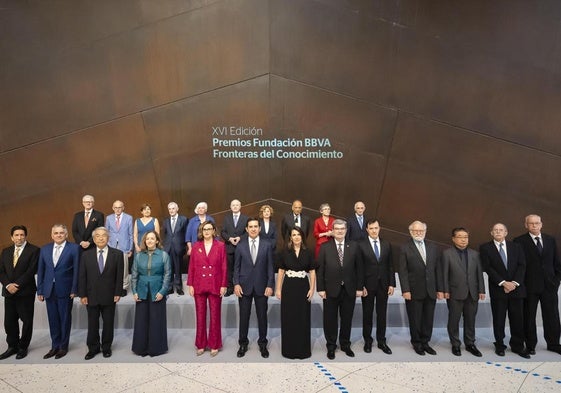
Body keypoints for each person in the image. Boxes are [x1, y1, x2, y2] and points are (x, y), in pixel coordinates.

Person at [480, 223, 530, 358]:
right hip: (498, 289)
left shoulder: (516, 247)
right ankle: (500, 345)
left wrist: (514, 283)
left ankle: (518, 346)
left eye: (501, 230)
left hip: (516, 289)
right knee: (499, 319)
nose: (498, 232)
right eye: (495, 230)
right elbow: (488, 267)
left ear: (506, 232)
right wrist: (503, 283)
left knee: (517, 319)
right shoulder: (485, 248)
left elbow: (522, 265)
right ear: (491, 233)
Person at [316, 219, 364, 360]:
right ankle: (331, 346)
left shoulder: (354, 246)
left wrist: (360, 287)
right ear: (332, 230)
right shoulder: (325, 247)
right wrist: (320, 288)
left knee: (347, 318)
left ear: (346, 230)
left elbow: (359, 268)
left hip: (349, 289)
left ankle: (345, 344)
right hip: (330, 290)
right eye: (337, 228)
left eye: (342, 228)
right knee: (330, 319)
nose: (339, 231)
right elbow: (320, 270)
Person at [514, 214, 561, 355]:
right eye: (531, 223)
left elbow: (556, 262)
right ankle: (530, 345)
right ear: (526, 225)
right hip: (529, 286)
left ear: (541, 224)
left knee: (552, 315)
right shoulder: (519, 241)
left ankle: (553, 343)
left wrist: (556, 281)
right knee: (529, 316)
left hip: (549, 286)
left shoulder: (550, 240)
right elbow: (518, 265)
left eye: (537, 223)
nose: (534, 225)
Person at [78, 227, 124, 360]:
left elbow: (119, 275)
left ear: (108, 238)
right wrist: (83, 295)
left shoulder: (117, 254)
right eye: (98, 236)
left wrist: (118, 292)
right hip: (91, 295)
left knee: (108, 323)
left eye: (104, 235)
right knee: (92, 324)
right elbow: (82, 276)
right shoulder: (86, 255)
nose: (101, 238)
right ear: (93, 239)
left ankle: (106, 347)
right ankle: (93, 348)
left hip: (110, 295)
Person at [398, 220, 442, 356]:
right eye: (415, 231)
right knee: (415, 318)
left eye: (421, 231)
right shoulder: (404, 248)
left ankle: (426, 342)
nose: (418, 233)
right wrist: (405, 290)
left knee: (428, 318)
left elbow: (437, 269)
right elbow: (402, 271)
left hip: (431, 290)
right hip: (413, 290)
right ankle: (417, 343)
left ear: (425, 231)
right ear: (411, 232)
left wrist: (440, 289)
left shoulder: (433, 247)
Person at [36, 224, 80, 359]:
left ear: (66, 235)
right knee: (53, 319)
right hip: (49, 290)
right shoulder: (45, 249)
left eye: (61, 233)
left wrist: (74, 289)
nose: (59, 235)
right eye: (56, 233)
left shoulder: (74, 248)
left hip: (66, 290)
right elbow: (41, 271)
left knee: (65, 318)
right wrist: (40, 290)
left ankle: (63, 347)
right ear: (52, 235)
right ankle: (54, 346)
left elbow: (77, 271)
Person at [233, 218, 275, 358]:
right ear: (246, 229)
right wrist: (236, 284)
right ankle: (243, 344)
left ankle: (263, 344)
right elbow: (236, 267)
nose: (253, 229)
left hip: (262, 286)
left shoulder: (267, 245)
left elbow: (270, 267)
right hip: (244, 286)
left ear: (260, 228)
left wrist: (270, 285)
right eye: (250, 226)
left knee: (262, 316)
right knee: (244, 317)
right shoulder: (240, 245)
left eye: (255, 226)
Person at [441, 227, 485, 357]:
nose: (463, 240)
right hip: (455, 292)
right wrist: (445, 290)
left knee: (470, 319)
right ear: (453, 239)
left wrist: (481, 290)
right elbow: (444, 274)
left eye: (465, 237)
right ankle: (455, 344)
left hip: (473, 292)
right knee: (454, 319)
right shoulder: (447, 253)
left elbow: (479, 274)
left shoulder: (475, 254)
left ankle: (470, 343)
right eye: (460, 237)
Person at [275, 227, 317, 359]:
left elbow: (312, 271)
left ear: (302, 236)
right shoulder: (285, 252)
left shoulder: (308, 252)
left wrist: (312, 288)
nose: (296, 237)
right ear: (290, 237)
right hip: (289, 287)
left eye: (299, 234)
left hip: (303, 287)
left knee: (303, 317)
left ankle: (302, 350)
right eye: (294, 235)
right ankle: (289, 350)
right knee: (289, 317)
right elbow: (281, 271)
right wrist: (278, 289)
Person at [187, 221, 227, 357]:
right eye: (204, 229)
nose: (207, 231)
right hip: (199, 284)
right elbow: (191, 266)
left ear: (214, 231)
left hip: (215, 283)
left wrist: (223, 285)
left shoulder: (220, 246)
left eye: (209, 229)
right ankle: (201, 344)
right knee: (200, 315)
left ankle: (214, 344)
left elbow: (224, 266)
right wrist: (190, 284)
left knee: (215, 315)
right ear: (201, 231)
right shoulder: (196, 246)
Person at [0, 225, 39, 360]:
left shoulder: (34, 250)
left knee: (27, 321)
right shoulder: (6, 251)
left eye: (22, 235)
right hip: (9, 292)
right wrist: (8, 285)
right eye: (16, 235)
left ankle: (23, 347)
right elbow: (2, 271)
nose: (19, 237)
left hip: (25, 292)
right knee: (9, 322)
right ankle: (12, 346)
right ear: (12, 237)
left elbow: (31, 270)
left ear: (25, 236)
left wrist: (17, 285)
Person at [131, 231, 171, 357]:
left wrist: (162, 291)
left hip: (157, 290)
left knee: (156, 320)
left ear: (157, 241)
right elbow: (134, 275)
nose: (149, 241)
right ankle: (141, 348)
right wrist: (134, 291)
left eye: (152, 238)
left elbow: (167, 275)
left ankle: (156, 348)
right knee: (141, 321)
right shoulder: (138, 256)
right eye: (147, 239)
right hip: (142, 290)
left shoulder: (164, 255)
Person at [358, 219, 395, 355]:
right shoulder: (360, 245)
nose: (374, 230)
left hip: (383, 285)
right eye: (371, 228)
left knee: (382, 314)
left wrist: (392, 283)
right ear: (367, 229)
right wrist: (360, 285)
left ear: (380, 228)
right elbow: (359, 268)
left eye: (376, 228)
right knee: (367, 314)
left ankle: (382, 341)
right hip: (367, 286)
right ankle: (368, 341)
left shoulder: (386, 244)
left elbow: (390, 265)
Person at [105, 200, 134, 296]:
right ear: (113, 208)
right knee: (112, 268)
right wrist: (107, 245)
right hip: (112, 246)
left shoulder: (128, 218)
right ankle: (113, 286)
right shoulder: (109, 218)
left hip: (124, 246)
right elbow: (106, 233)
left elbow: (131, 234)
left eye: (119, 207)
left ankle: (124, 287)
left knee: (125, 268)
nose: (118, 209)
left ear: (123, 208)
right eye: (116, 207)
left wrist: (130, 248)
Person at [221, 199, 248, 296]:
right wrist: (229, 238)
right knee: (229, 269)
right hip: (229, 247)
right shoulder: (226, 218)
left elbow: (248, 232)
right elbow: (222, 232)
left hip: (242, 248)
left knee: (242, 268)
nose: (235, 207)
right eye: (233, 205)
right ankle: (230, 287)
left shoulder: (246, 218)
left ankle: (241, 286)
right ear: (230, 207)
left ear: (240, 206)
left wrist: (240, 238)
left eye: (237, 205)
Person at [162, 202, 188, 295]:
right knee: (169, 269)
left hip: (179, 247)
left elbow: (186, 234)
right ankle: (170, 287)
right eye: (169, 209)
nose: (171, 210)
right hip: (168, 248)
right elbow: (164, 235)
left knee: (178, 268)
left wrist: (185, 246)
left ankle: (179, 287)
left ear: (177, 209)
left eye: (173, 208)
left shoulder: (184, 219)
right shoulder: (165, 221)